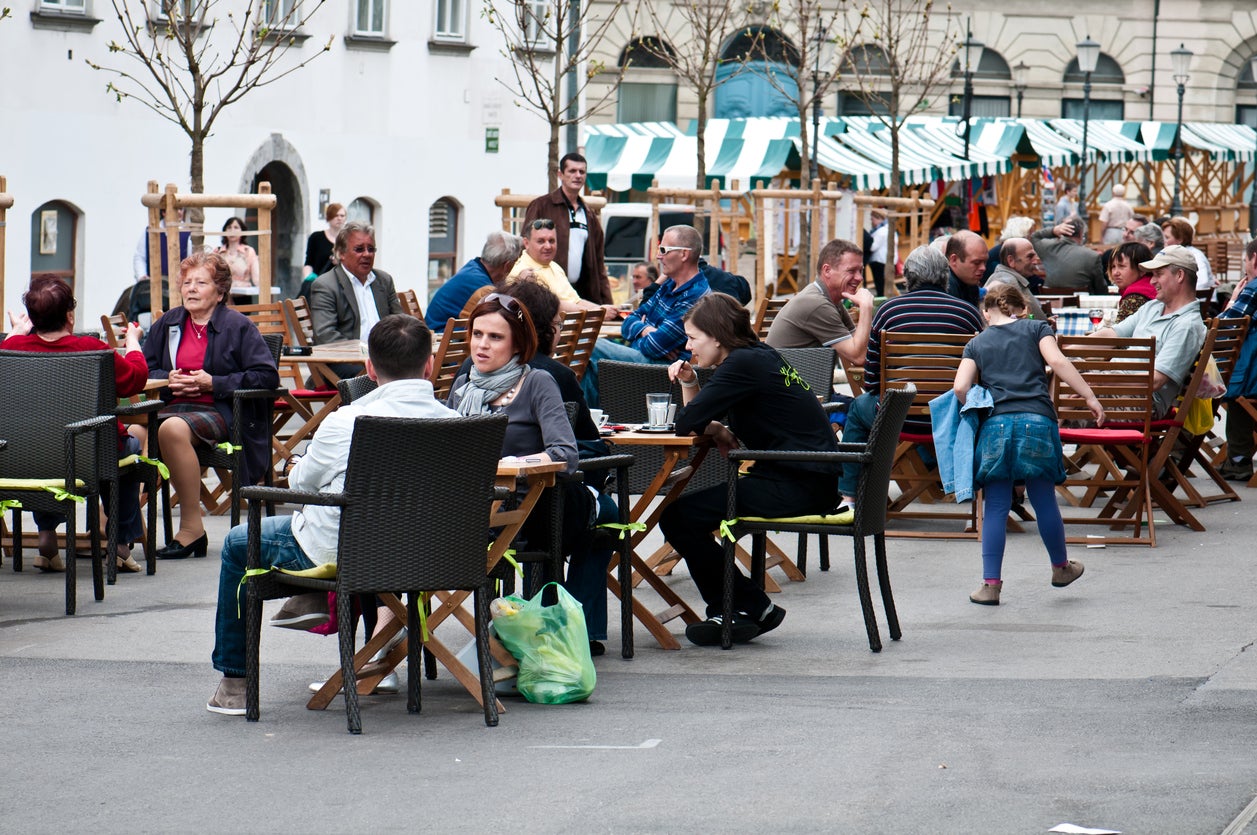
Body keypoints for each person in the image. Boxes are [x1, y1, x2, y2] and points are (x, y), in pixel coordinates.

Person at [207, 315, 455, 715]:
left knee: (240, 543)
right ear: (428, 365)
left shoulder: (345, 422)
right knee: (357, 525)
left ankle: (234, 682)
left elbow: (300, 484)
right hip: (432, 557)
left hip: (346, 553)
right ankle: (320, 607)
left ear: (370, 368)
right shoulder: (457, 425)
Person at [660, 293, 840, 646]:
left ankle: (747, 606)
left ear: (717, 336)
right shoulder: (758, 357)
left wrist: (711, 424)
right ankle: (736, 608)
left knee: (678, 517)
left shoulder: (741, 364)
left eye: (693, 338)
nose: (688, 345)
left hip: (797, 482)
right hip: (807, 477)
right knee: (683, 515)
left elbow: (687, 423)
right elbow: (697, 422)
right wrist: (695, 389)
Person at [954, 283, 1101, 606]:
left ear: (985, 312)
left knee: (995, 505)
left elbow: (961, 386)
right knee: (1043, 497)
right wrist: (1089, 396)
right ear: (1021, 308)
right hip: (1037, 421)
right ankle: (1061, 567)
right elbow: (1059, 363)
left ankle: (990, 585)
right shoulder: (1036, 328)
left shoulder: (976, 343)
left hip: (996, 426)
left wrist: (978, 403)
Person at [499, 278, 619, 654]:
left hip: (483, 512)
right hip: (541, 510)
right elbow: (583, 449)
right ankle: (577, 628)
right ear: (546, 327)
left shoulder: (468, 376)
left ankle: (543, 614)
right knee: (607, 516)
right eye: (558, 322)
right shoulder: (550, 376)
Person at [3, 275, 148, 574]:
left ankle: (47, 537)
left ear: (31, 317)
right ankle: (119, 543)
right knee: (130, 445)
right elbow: (135, 379)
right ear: (70, 316)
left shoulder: (12, 349)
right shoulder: (92, 349)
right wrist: (133, 343)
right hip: (88, 457)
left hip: (21, 457)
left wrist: (15, 334)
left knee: (44, 444)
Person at [144, 251, 280, 560]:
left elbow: (266, 376)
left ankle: (192, 527)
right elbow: (145, 369)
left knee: (170, 429)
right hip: (172, 405)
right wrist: (168, 378)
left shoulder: (238, 326)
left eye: (200, 282)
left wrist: (213, 383)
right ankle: (118, 528)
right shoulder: (170, 322)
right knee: (135, 432)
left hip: (220, 412)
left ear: (220, 292)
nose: (190, 288)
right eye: (187, 282)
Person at [837, 246, 986, 509]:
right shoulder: (968, 314)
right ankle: (977, 502)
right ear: (945, 276)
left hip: (898, 419)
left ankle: (850, 497)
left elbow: (873, 382)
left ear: (908, 277)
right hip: (955, 418)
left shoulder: (889, 312)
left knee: (859, 408)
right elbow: (981, 377)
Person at [582, 224, 711, 406]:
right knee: (588, 358)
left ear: (684, 254)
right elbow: (630, 320)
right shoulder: (669, 284)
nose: (658, 256)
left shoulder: (694, 295)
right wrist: (646, 330)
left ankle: (589, 423)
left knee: (589, 344)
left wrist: (642, 331)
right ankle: (592, 422)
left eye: (664, 250)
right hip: (648, 362)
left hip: (662, 371)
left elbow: (655, 346)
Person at [1091, 245, 1207, 419]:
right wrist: (1066, 347)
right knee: (1059, 371)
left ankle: (1049, 439)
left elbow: (1155, 380)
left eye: (1158, 274)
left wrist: (1096, 385)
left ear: (1180, 275)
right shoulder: (1154, 306)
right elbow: (1112, 334)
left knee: (1056, 396)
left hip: (1140, 402)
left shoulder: (1187, 325)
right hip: (1113, 388)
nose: (1152, 281)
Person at [309, 220, 403, 378]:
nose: (367, 254)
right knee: (396, 375)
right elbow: (326, 335)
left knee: (427, 367)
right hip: (343, 363)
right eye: (359, 249)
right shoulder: (325, 285)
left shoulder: (384, 280)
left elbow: (401, 322)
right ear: (341, 253)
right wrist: (367, 352)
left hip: (385, 360)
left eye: (371, 249)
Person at [765, 238, 874, 370]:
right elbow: (858, 357)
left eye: (860, 271)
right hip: (789, 389)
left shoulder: (831, 300)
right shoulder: (818, 304)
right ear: (827, 270)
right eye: (851, 271)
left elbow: (861, 346)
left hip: (803, 386)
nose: (860, 278)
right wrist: (866, 307)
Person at [523, 152, 613, 306]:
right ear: (560, 174)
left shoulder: (589, 214)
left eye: (582, 172)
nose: (577, 175)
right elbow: (525, 249)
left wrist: (606, 302)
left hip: (582, 295)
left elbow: (598, 265)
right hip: (548, 296)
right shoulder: (541, 205)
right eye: (572, 171)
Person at [507, 218, 614, 317]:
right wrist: (598, 312)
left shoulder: (554, 266)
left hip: (568, 331)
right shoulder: (524, 272)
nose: (548, 246)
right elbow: (554, 306)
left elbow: (575, 301)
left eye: (552, 241)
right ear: (526, 243)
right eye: (541, 241)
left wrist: (601, 309)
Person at [424, 230, 523, 332]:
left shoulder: (473, 266)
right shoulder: (484, 289)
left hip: (433, 328)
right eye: (515, 263)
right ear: (508, 265)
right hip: (443, 337)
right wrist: (520, 286)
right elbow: (504, 319)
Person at [1218, 238, 1257, 481]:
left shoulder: (1253, 288)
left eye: (1246, 261)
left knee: (1230, 391)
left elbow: (1223, 326)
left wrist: (1233, 299)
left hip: (1251, 382)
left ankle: (1239, 460)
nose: (1245, 267)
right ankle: (1238, 459)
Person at [1031, 216, 1107, 295]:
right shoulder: (1092, 256)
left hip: (1052, 302)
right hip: (1080, 303)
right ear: (1081, 233)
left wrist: (1053, 231)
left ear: (1061, 232)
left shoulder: (1047, 249)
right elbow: (1101, 289)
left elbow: (1034, 237)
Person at [983, 237, 1048, 321]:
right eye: (1030, 256)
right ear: (1011, 261)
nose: (1035, 261)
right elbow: (1016, 323)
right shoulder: (1007, 282)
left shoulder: (1011, 278)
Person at [300, 202, 346, 301]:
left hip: (340, 288)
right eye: (336, 215)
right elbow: (309, 262)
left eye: (342, 215)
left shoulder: (348, 241)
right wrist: (308, 279)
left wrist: (340, 263)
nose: (339, 218)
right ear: (329, 217)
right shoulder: (316, 237)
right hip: (319, 287)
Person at [1109, 241, 1157, 323]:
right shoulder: (1153, 285)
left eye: (1122, 266)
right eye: (1113, 267)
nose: (1115, 273)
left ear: (1142, 269)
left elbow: (1118, 332)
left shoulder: (1135, 296)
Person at [1160, 217, 1214, 290]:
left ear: (1180, 239)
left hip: (1201, 300)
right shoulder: (1168, 254)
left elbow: (1202, 283)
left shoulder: (1194, 255)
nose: (1163, 241)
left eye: (1167, 237)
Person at [945, 231, 987, 309]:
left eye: (985, 262)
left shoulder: (969, 283)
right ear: (954, 260)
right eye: (977, 262)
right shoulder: (945, 289)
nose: (983, 268)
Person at [217, 217, 260, 289]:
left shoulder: (249, 251)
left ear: (242, 231)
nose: (232, 231)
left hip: (242, 297)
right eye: (229, 227)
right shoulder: (218, 252)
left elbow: (257, 279)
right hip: (223, 296)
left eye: (236, 227)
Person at [867, 209, 890, 296]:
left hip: (879, 260)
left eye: (872, 219)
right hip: (884, 259)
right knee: (883, 283)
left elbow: (873, 247)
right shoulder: (888, 229)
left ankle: (881, 298)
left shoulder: (881, 231)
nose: (871, 222)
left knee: (879, 283)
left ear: (879, 218)